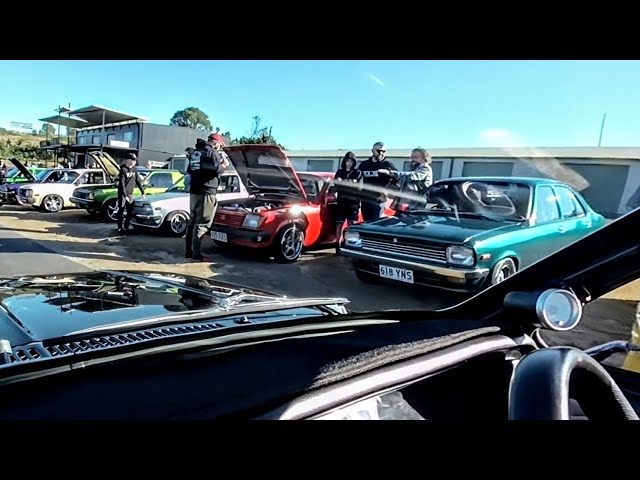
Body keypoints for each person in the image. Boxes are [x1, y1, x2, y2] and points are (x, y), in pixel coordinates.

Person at [185, 133, 229, 262]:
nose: (220, 148)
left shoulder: (196, 152)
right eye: (220, 145)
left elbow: (190, 170)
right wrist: (224, 165)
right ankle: (196, 254)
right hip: (207, 193)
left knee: (192, 223)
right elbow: (216, 170)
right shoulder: (212, 153)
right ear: (216, 142)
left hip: (194, 192)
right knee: (202, 224)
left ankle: (189, 251)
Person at [378, 147, 433, 212]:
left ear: (424, 158)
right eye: (412, 157)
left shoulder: (425, 168)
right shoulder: (414, 168)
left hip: (416, 204)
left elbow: (412, 176)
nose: (413, 159)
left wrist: (391, 173)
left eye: (416, 157)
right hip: (406, 203)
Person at [357, 141, 399, 221]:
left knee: (375, 223)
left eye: (383, 151)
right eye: (378, 151)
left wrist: (386, 192)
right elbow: (357, 179)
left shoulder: (387, 165)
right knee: (366, 224)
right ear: (372, 151)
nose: (381, 153)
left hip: (378, 200)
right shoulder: (364, 165)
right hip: (365, 200)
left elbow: (397, 181)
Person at [333, 151, 363, 253]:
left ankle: (350, 247)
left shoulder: (357, 173)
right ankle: (338, 246)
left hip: (353, 204)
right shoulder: (339, 172)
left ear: (354, 162)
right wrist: (350, 182)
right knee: (339, 224)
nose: (349, 163)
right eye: (347, 161)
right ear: (344, 161)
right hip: (341, 202)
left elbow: (358, 187)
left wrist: (344, 182)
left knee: (351, 226)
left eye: (351, 161)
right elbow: (336, 184)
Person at [116, 153, 146, 235]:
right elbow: (121, 184)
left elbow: (138, 181)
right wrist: (125, 196)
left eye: (134, 160)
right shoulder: (123, 169)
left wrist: (142, 192)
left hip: (130, 194)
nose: (133, 162)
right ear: (128, 160)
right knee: (121, 211)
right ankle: (120, 228)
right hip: (122, 194)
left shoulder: (134, 169)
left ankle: (126, 227)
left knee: (129, 212)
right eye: (132, 160)